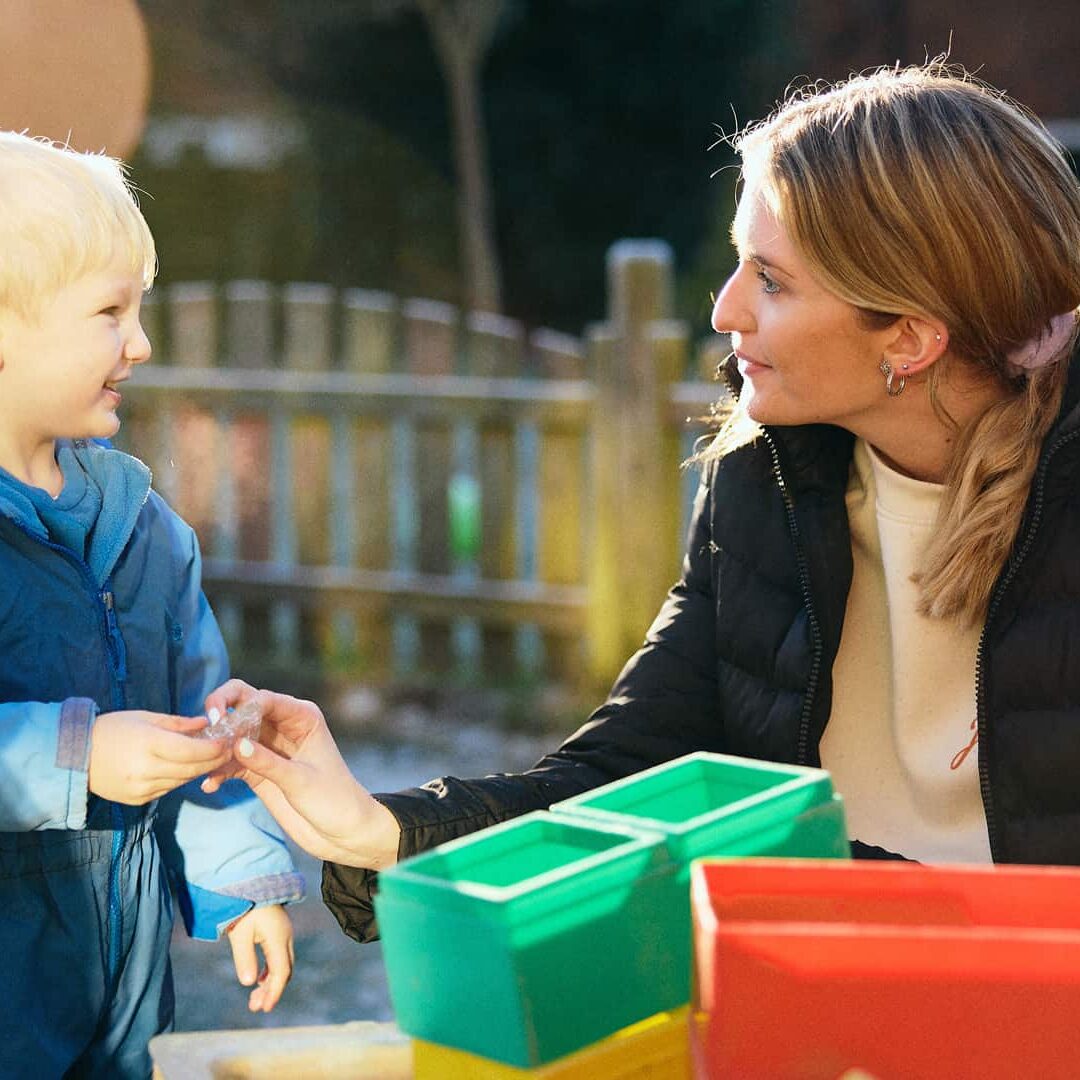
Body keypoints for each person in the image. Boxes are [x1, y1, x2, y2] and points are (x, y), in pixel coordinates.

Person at [206, 60, 1080, 944]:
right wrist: (382, 832)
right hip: (829, 994)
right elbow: (628, 780)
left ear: (910, 338)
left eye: (771, 282)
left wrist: (786, 875)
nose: (724, 311)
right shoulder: (764, 484)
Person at [0, 132, 304, 1079]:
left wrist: (242, 880)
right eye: (109, 312)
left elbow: (199, 731)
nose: (141, 343)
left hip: (117, 1009)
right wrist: (78, 755)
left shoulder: (147, 532)